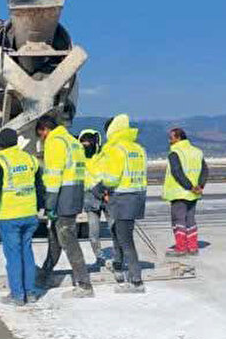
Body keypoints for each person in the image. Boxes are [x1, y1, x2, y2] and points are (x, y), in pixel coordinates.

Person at [0, 128, 44, 306]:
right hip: (30, 215)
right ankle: (30, 292)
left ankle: (17, 295)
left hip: (9, 216)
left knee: (14, 256)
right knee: (27, 253)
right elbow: (39, 186)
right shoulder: (30, 159)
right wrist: (41, 207)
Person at [34, 115, 93, 298]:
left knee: (68, 240)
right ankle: (44, 275)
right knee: (55, 238)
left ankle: (84, 284)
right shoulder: (72, 141)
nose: (42, 139)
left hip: (63, 197)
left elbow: (53, 175)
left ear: (45, 129)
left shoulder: (55, 142)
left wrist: (49, 204)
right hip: (74, 194)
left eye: (41, 134)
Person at [102, 114, 148, 293]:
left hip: (122, 199)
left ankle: (136, 281)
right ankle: (121, 267)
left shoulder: (117, 149)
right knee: (122, 235)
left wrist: (101, 188)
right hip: (137, 197)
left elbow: (112, 179)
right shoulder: (138, 149)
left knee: (125, 240)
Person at [163, 127, 208, 256]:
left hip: (179, 192)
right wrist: (199, 186)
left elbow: (177, 172)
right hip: (194, 193)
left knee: (178, 221)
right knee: (190, 220)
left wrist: (189, 186)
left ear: (178, 138)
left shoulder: (174, 152)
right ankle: (193, 247)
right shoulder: (197, 152)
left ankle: (181, 248)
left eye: (171, 138)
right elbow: (205, 171)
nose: (169, 140)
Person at [79, 128, 108, 266]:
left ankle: (119, 258)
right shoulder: (79, 158)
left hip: (106, 195)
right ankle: (99, 257)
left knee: (115, 228)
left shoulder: (104, 155)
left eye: (88, 142)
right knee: (93, 233)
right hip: (90, 198)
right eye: (83, 142)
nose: (85, 145)